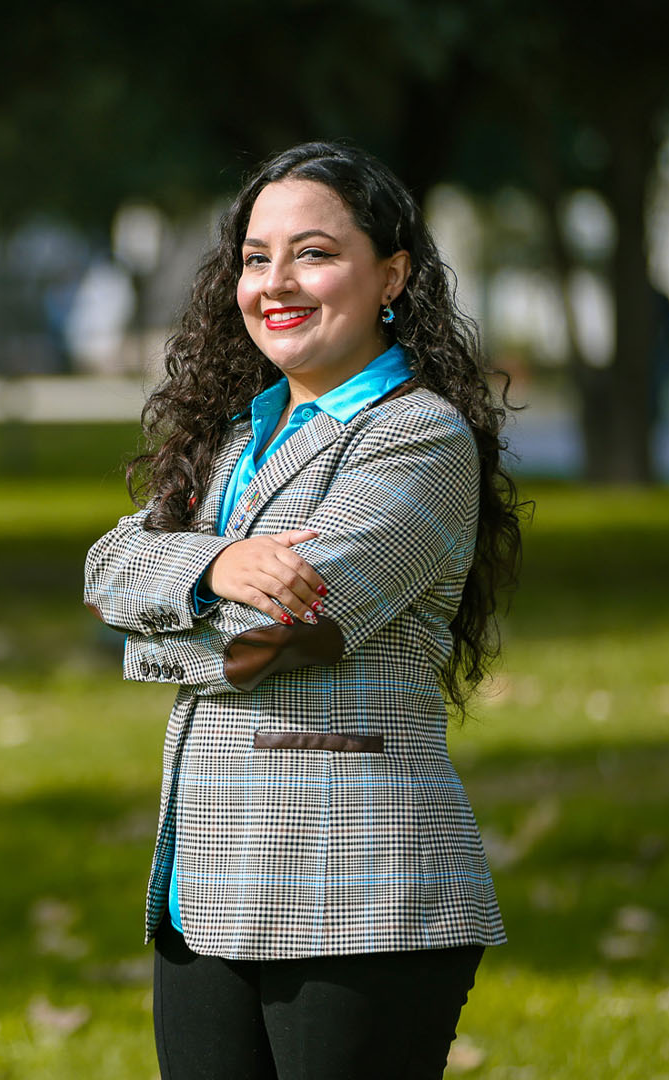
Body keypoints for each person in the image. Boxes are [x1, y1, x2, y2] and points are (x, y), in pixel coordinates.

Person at [82, 141, 526, 1079]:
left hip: (356, 891)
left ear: (391, 276)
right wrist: (218, 563)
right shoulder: (233, 438)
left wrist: (157, 612)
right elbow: (106, 569)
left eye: (313, 253)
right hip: (204, 889)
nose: (275, 282)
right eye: (256, 258)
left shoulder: (419, 438)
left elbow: (277, 639)